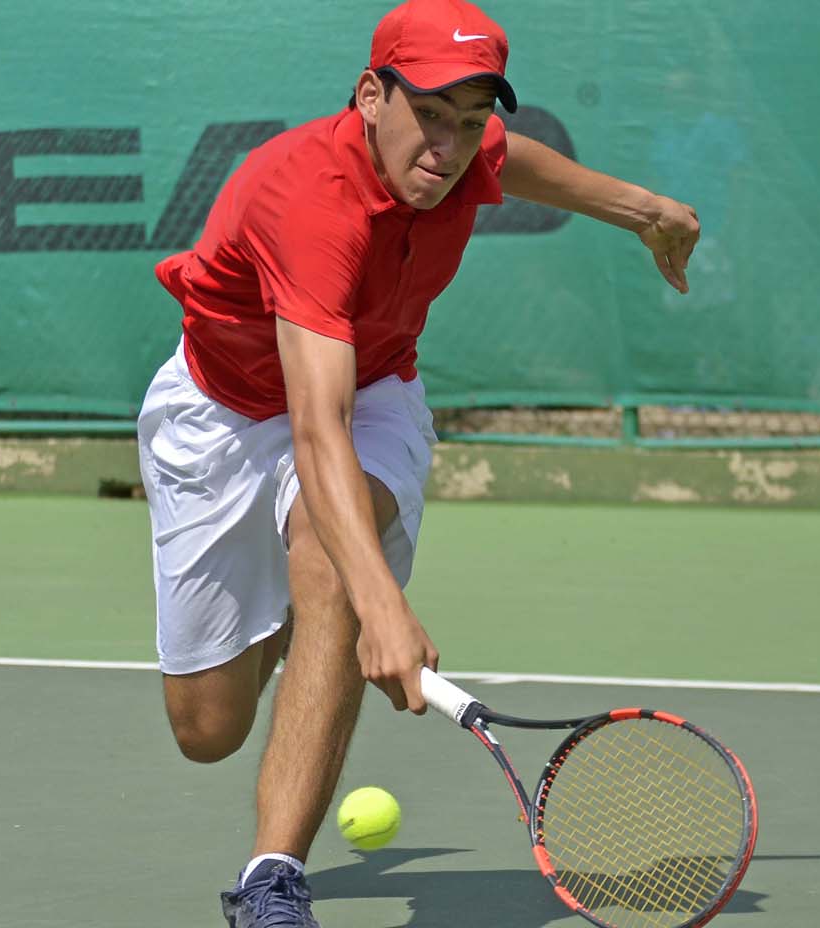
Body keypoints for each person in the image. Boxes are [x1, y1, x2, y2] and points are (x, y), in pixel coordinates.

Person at [135, 1, 700, 924]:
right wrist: (385, 611)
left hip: (376, 391)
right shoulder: (309, 199)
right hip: (225, 412)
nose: (447, 146)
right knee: (209, 732)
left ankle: (271, 881)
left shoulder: (469, 152)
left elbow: (513, 161)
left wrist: (643, 210)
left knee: (328, 550)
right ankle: (302, 620)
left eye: (468, 119)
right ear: (370, 96)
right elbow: (312, 427)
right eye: (428, 114)